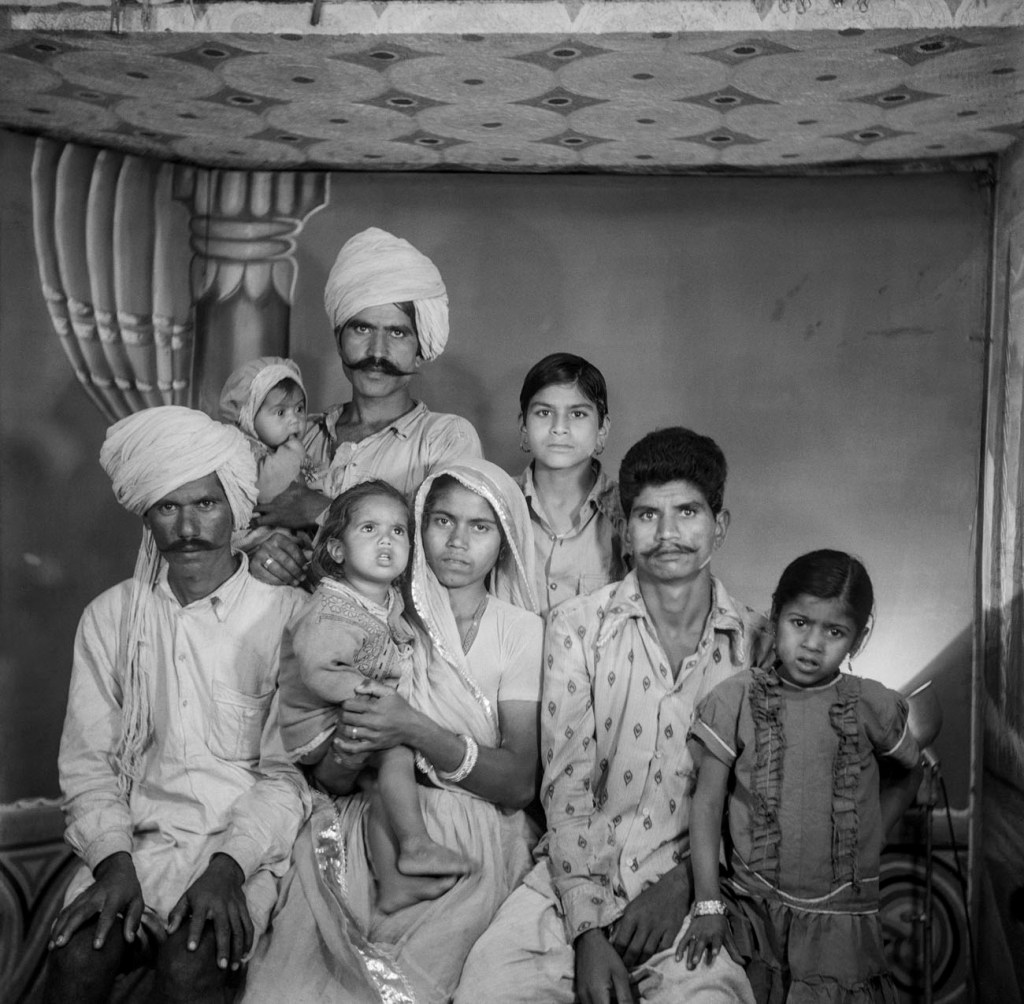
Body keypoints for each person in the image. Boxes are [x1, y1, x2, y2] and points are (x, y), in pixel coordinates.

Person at [455, 426, 770, 1004]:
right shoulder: (578, 627)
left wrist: (686, 887)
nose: (668, 533)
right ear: (624, 531)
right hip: (568, 883)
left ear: (719, 526)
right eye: (648, 515)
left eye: (688, 513)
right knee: (488, 989)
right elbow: (566, 788)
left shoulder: (757, 645)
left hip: (698, 895)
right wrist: (587, 932)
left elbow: (757, 803)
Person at [242, 458, 543, 1004]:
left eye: (481, 526)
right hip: (363, 822)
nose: (456, 541)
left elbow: (521, 783)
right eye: (442, 520)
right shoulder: (380, 614)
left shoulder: (521, 631)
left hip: (477, 837)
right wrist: (352, 750)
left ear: (507, 540)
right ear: (420, 526)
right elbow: (328, 773)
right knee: (295, 984)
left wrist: (409, 726)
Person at [43, 406, 310, 1004]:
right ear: (147, 515)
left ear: (236, 507)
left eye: (206, 504)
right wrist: (114, 864)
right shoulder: (111, 618)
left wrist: (227, 869)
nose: (188, 526)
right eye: (168, 506)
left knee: (191, 964)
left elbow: (288, 777)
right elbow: (90, 766)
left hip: (243, 854)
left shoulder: (287, 617)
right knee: (78, 957)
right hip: (134, 848)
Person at [681, 550, 923, 1002]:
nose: (813, 643)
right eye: (800, 623)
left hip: (843, 921)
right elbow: (707, 801)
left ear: (858, 638)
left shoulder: (871, 705)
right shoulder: (737, 698)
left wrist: (876, 837)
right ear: (775, 617)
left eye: (834, 631)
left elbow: (912, 773)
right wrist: (708, 903)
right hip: (753, 909)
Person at [277, 479, 474, 911]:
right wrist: (372, 697)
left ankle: (394, 881)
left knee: (381, 788)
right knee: (396, 750)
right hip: (316, 727)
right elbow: (317, 668)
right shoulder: (330, 608)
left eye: (398, 531)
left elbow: (389, 636)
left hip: (338, 721)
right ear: (336, 550)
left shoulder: (383, 601)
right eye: (368, 529)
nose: (386, 539)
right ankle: (417, 843)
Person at [251, 227, 482, 588]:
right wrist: (263, 556)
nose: (377, 352)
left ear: (421, 349)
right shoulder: (297, 432)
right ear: (339, 340)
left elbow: (446, 554)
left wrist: (318, 510)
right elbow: (239, 526)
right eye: (361, 329)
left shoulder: (445, 439)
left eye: (397, 333)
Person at [516, 352, 626, 615]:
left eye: (577, 414)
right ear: (523, 427)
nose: (559, 428)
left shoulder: (628, 510)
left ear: (602, 429)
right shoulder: (494, 503)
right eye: (544, 412)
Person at [219, 356, 323, 553]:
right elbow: (273, 492)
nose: (295, 419)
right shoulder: (245, 449)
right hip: (253, 542)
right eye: (280, 413)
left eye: (300, 409)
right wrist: (293, 453)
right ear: (249, 417)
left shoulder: (276, 447)